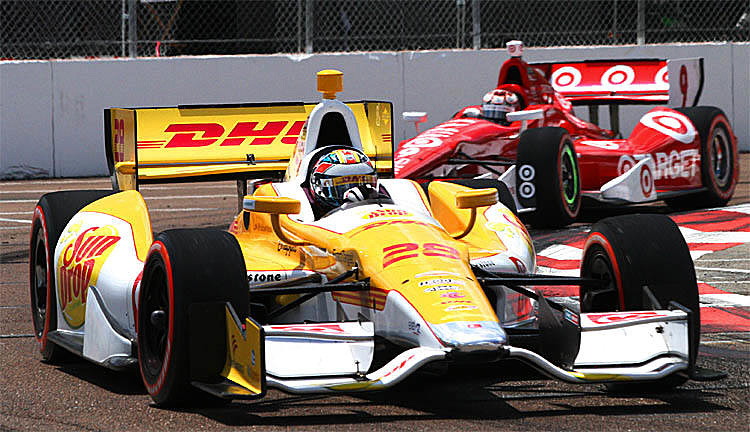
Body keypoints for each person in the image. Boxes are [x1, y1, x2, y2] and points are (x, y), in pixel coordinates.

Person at [309, 148, 379, 217]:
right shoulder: (307, 214)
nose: (352, 195)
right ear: (318, 187)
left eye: (362, 185)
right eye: (342, 187)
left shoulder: (381, 199)